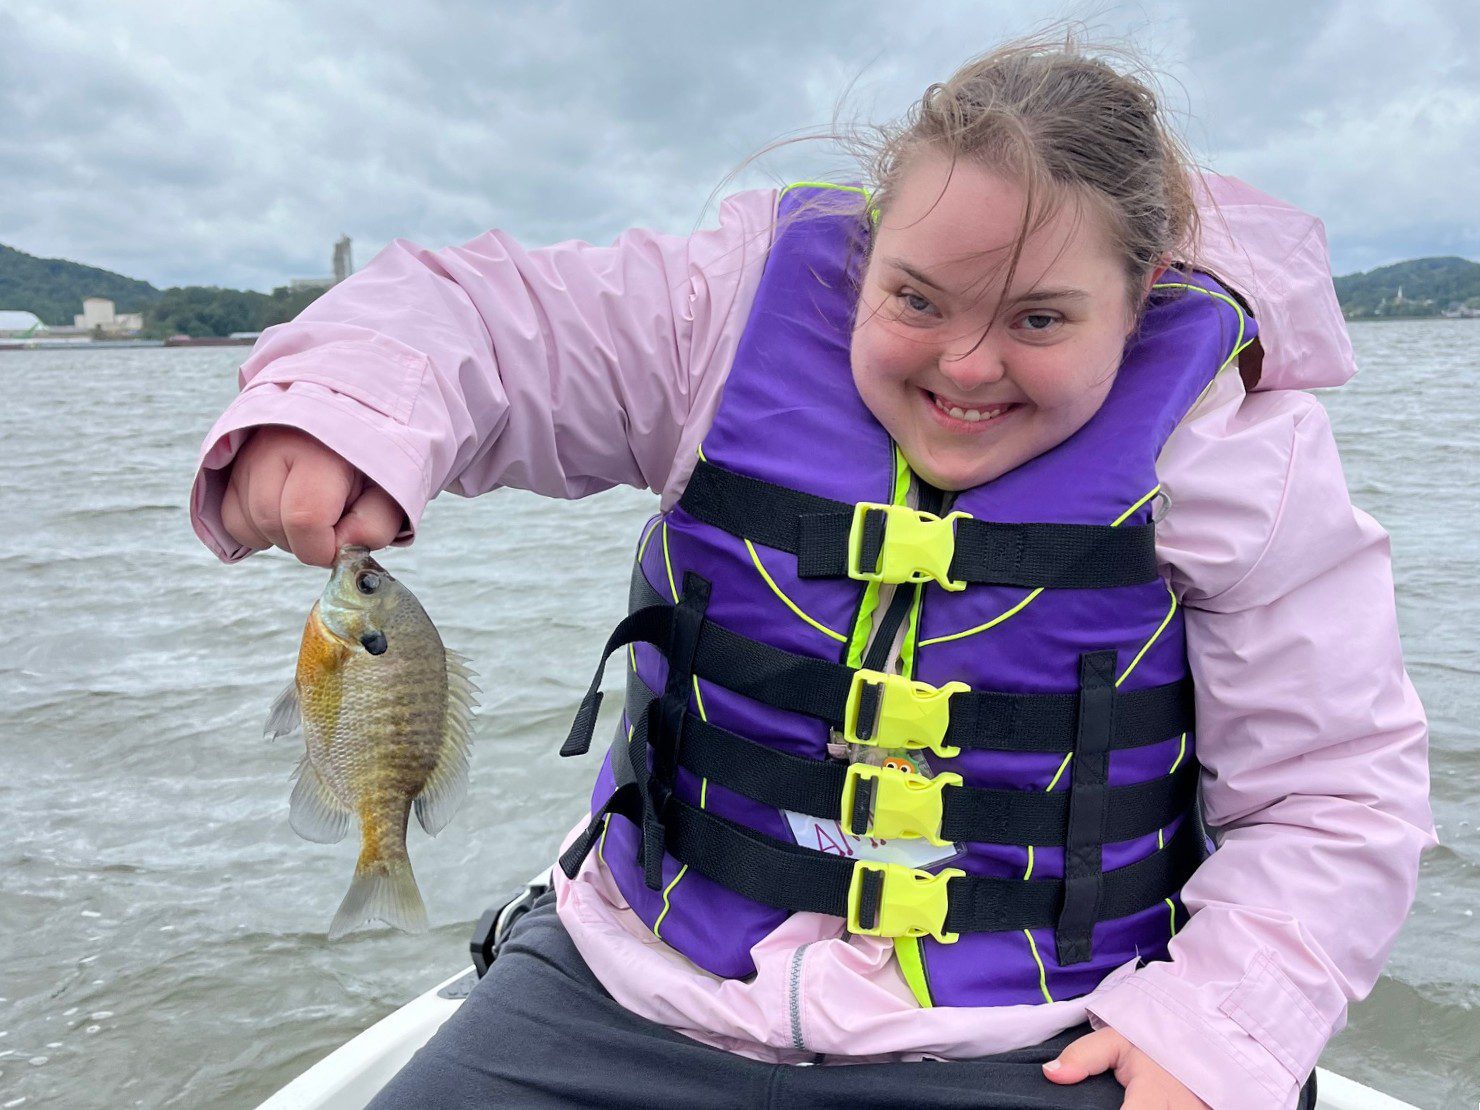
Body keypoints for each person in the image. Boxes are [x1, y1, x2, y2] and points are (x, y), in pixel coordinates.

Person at [190, 34, 1435, 1110]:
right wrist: (332, 415)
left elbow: (1336, 790)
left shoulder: (1234, 456)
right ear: (869, 248)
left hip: (1038, 1040)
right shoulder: (720, 326)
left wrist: (1216, 1028)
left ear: (1143, 294)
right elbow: (486, 319)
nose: (966, 366)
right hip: (630, 987)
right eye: (916, 299)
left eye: (1039, 319)